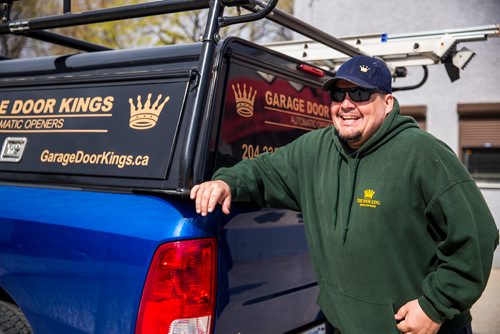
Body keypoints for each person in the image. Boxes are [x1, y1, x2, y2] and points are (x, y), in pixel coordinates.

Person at [190, 55, 499, 334]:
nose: (346, 104)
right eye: (338, 95)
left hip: (414, 329)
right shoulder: (315, 149)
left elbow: (477, 235)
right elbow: (262, 171)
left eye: (360, 94)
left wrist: (435, 305)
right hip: (343, 325)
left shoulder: (423, 153)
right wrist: (226, 182)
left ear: (388, 103)